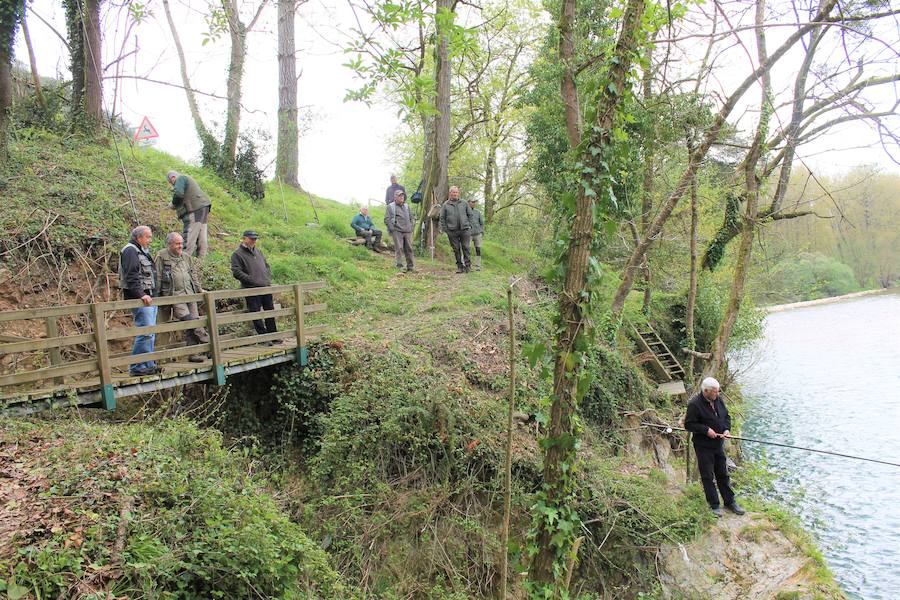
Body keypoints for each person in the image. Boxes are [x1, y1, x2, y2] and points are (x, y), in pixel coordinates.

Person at [684, 377, 746, 518]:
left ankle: (730, 502)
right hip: (703, 446)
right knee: (707, 476)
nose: (717, 394)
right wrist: (706, 430)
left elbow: (726, 417)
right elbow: (689, 424)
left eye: (718, 391)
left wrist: (726, 430)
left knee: (723, 474)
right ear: (706, 391)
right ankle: (714, 505)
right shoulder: (694, 404)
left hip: (718, 444)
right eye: (714, 392)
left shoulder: (718, 400)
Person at [155, 232, 210, 363]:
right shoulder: (161, 256)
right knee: (190, 320)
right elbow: (157, 275)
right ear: (169, 244)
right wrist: (156, 294)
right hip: (174, 296)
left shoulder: (186, 257)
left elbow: (193, 274)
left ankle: (193, 354)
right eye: (177, 244)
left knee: (193, 323)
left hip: (190, 294)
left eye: (181, 243)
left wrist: (199, 289)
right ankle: (208, 341)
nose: (180, 246)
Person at [119, 225, 160, 376]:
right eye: (148, 237)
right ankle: (137, 367)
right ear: (139, 237)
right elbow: (131, 276)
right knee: (145, 332)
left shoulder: (142, 250)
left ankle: (148, 364)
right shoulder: (130, 250)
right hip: (141, 299)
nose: (150, 240)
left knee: (150, 332)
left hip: (148, 297)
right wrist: (141, 294)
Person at [230, 230, 279, 344]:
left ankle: (274, 335)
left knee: (269, 312)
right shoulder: (237, 254)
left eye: (255, 239)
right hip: (251, 289)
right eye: (251, 239)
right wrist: (251, 280)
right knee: (256, 313)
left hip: (265, 286)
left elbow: (266, 266)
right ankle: (263, 338)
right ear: (244, 238)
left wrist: (267, 278)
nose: (253, 241)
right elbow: (236, 272)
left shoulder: (258, 252)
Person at [167, 170, 212, 258]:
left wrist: (173, 204)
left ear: (172, 178)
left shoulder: (180, 178)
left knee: (189, 234)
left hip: (194, 209)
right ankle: (200, 262)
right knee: (201, 236)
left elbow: (178, 194)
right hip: (203, 207)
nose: (172, 184)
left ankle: (183, 259)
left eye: (171, 182)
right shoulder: (188, 180)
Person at [439, 186, 473, 273]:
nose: (455, 194)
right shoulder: (445, 205)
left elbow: (470, 215)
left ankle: (468, 266)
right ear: (450, 193)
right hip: (452, 231)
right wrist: (446, 230)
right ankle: (460, 267)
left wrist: (469, 225)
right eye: (453, 192)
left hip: (464, 229)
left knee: (466, 247)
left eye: (456, 192)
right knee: (456, 249)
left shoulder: (464, 203)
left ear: (458, 193)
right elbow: (442, 218)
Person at [385, 189, 415, 272]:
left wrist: (411, 226)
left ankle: (410, 267)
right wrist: (392, 228)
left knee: (409, 249)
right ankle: (399, 266)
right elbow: (387, 219)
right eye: (399, 196)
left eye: (402, 195)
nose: (402, 197)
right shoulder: (390, 206)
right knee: (399, 248)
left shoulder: (406, 206)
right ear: (395, 197)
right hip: (397, 231)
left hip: (407, 231)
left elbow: (411, 217)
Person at [467, 198, 485, 271]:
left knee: (478, 249)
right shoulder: (465, 212)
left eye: (475, 202)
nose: (474, 203)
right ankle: (466, 264)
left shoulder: (477, 212)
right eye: (472, 202)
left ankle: (478, 266)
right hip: (468, 234)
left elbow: (482, 223)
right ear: (468, 202)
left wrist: (481, 230)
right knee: (466, 248)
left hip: (477, 234)